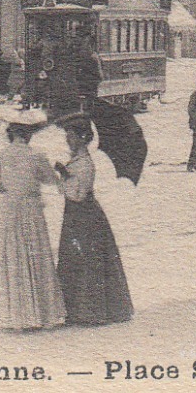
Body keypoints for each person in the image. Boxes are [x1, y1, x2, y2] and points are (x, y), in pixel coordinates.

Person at [0, 121, 67, 330]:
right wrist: (61, 172)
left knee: (13, 259)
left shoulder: (0, 156)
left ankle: (17, 316)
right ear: (28, 135)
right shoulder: (36, 155)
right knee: (35, 256)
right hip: (31, 211)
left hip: (9, 211)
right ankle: (39, 314)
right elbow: (52, 180)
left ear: (10, 136)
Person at [54, 116, 134, 326]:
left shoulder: (85, 164)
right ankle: (77, 310)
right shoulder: (77, 161)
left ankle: (90, 311)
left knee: (87, 260)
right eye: (66, 137)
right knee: (77, 259)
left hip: (84, 215)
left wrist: (64, 176)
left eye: (70, 137)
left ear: (81, 138)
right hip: (76, 215)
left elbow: (77, 194)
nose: (67, 141)